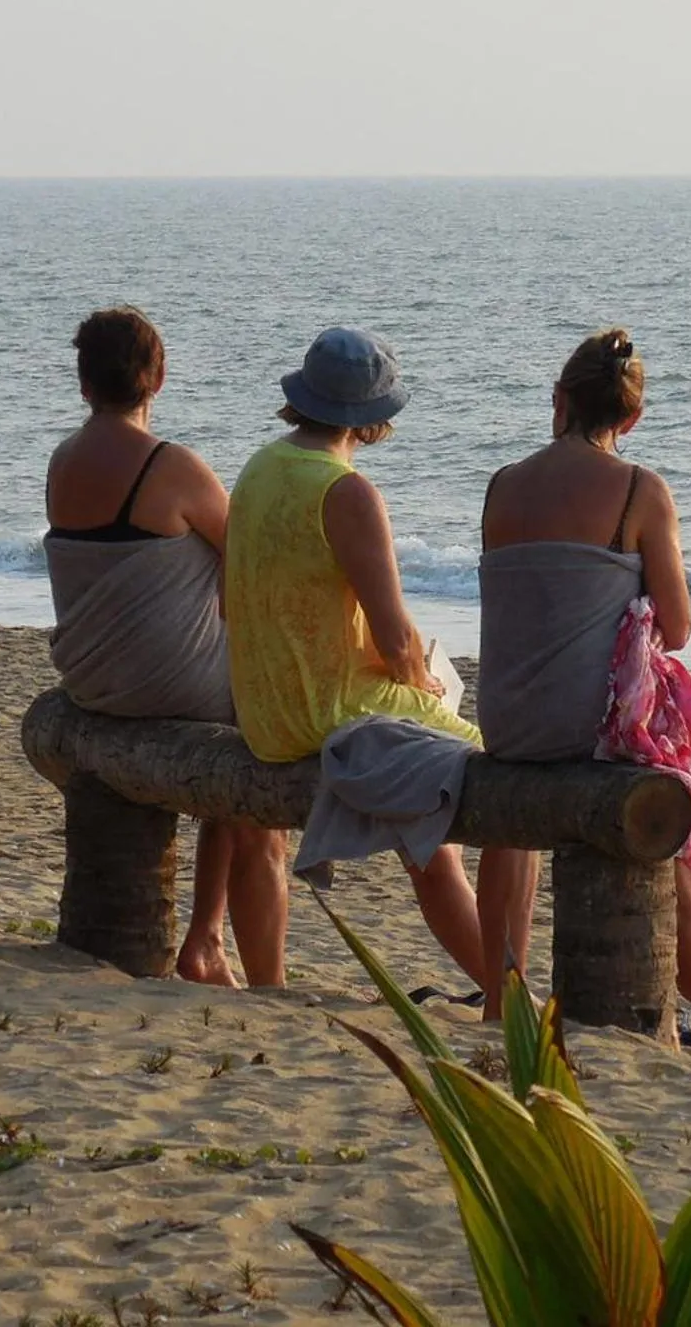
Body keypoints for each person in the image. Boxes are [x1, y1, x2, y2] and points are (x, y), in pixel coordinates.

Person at [478, 327, 691, 1058]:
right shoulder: (639, 490)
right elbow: (677, 629)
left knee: (511, 822)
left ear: (557, 400)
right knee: (676, 853)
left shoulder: (502, 484)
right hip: (584, 732)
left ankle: (500, 1002)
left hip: (507, 723)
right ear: (631, 418)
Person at [223, 325, 532, 1010]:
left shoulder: (257, 470)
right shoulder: (347, 494)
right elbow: (392, 636)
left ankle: (269, 989)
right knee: (507, 789)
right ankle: (506, 994)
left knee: (432, 844)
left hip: (265, 708)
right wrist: (418, 676)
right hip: (331, 710)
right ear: (372, 418)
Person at [43, 307, 287, 990]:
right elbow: (249, 560)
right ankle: (210, 940)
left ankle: (208, 938)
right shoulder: (171, 466)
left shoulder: (63, 462)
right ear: (159, 378)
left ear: (84, 384)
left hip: (92, 679)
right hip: (165, 684)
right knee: (254, 746)